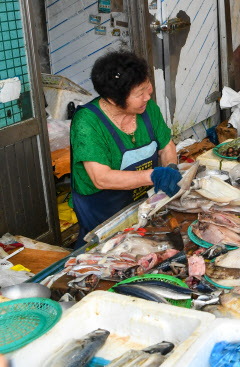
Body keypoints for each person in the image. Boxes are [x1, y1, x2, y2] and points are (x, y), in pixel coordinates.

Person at [70, 50, 181, 246]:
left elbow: (166, 146)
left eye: (147, 87)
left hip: (143, 210)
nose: (148, 96)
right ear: (113, 99)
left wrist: (170, 168)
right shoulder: (87, 123)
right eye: (140, 93)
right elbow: (101, 177)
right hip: (103, 220)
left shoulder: (146, 109)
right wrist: (153, 176)